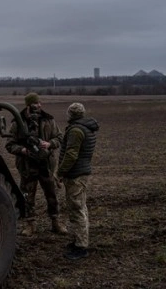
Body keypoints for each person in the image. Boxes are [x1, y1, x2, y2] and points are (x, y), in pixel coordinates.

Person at [6, 92, 67, 236]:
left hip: (46, 165)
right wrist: (23, 150)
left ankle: (55, 222)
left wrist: (50, 144)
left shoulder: (49, 120)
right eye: (35, 103)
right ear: (28, 105)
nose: (39, 105)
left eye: (39, 102)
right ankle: (30, 225)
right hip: (27, 166)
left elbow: (59, 137)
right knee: (28, 196)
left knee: (51, 195)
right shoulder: (18, 123)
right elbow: (9, 145)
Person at [58, 102, 99, 260]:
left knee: (77, 210)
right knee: (81, 207)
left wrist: (60, 172)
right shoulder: (86, 128)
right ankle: (79, 241)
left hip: (75, 175)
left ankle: (81, 247)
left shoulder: (76, 130)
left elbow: (71, 155)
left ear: (70, 114)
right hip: (81, 172)